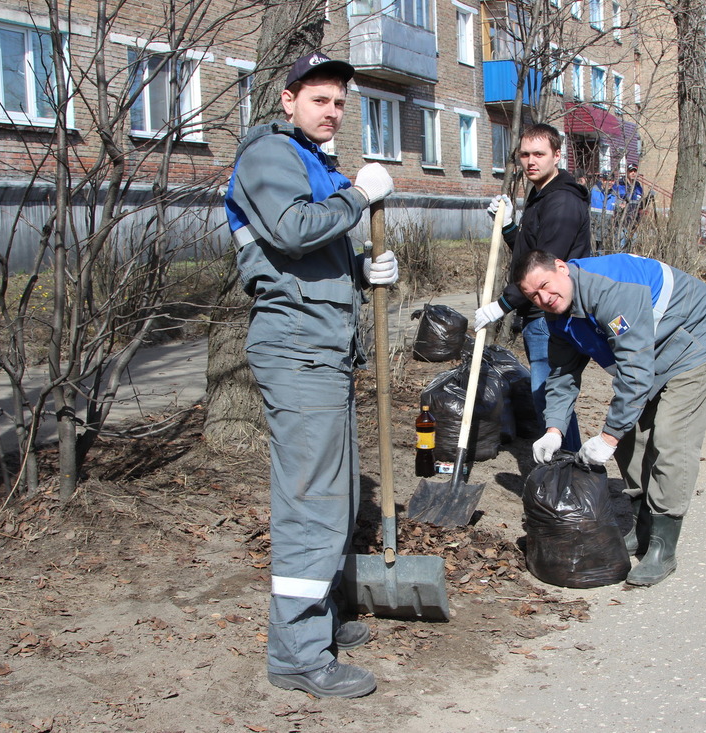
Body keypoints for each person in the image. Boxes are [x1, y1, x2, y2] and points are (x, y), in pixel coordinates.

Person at [224, 52, 397, 699]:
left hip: (323, 352)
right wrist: (358, 196)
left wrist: (361, 273)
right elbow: (294, 231)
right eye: (321, 99)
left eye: (340, 103)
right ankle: (297, 653)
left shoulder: (314, 164)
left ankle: (319, 618)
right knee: (312, 506)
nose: (333, 111)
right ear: (287, 98)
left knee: (339, 496)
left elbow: (311, 259)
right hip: (297, 352)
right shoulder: (270, 155)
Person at [514, 249, 706, 587]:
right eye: (533, 296)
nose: (543, 298)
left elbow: (634, 374)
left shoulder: (612, 292)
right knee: (631, 437)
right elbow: (561, 373)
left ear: (561, 268)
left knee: (671, 438)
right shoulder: (557, 315)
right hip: (652, 350)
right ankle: (642, 527)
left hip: (695, 340)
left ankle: (663, 545)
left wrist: (607, 438)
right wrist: (554, 429)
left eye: (544, 285)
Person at [473, 123, 590, 451]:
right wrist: (511, 227)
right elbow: (531, 256)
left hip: (550, 313)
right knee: (550, 397)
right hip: (539, 313)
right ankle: (569, 466)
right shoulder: (542, 195)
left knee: (549, 396)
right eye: (524, 154)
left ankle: (571, 469)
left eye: (539, 154)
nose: (530, 161)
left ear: (557, 154)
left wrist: (502, 305)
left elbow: (544, 269)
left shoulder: (562, 203)